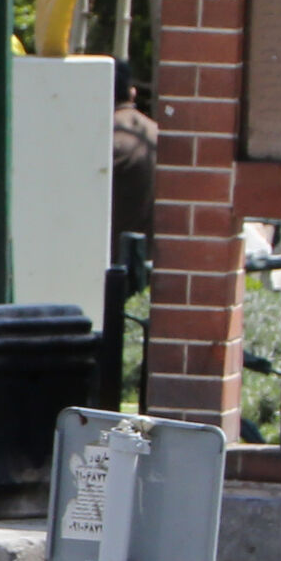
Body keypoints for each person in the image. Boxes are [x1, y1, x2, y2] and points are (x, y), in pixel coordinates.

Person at [107, 72, 161, 405]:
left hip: (108, 265)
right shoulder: (156, 134)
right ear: (132, 91)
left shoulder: (104, 136)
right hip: (154, 261)